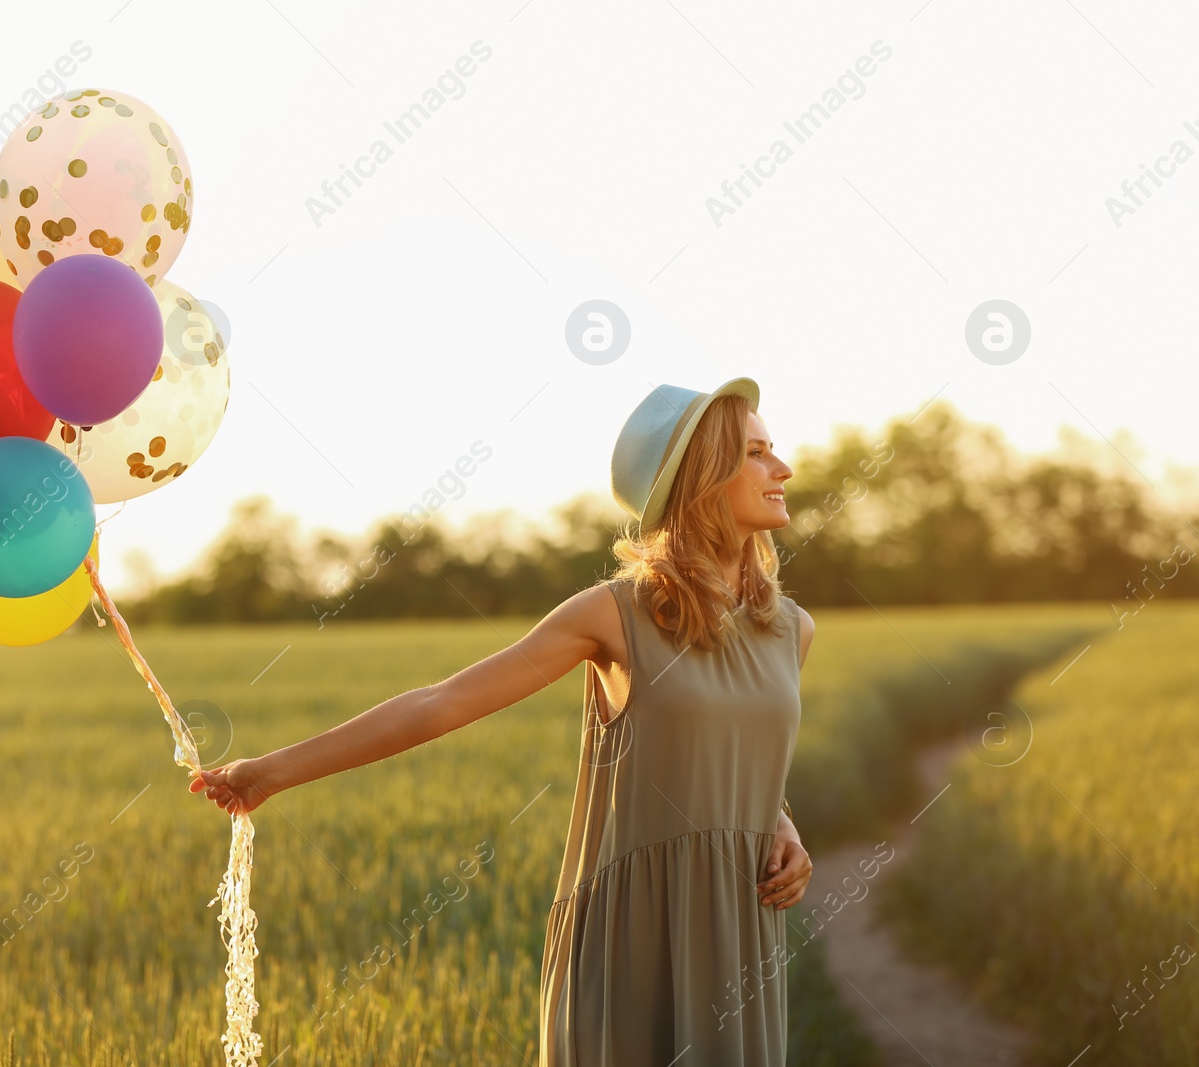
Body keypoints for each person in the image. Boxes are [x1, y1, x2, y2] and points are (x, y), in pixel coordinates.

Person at [189, 376, 814, 1065]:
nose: (781, 468)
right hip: (635, 931)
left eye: (773, 450)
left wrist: (780, 822)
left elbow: (735, 746)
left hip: (742, 928)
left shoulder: (790, 629)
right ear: (702, 477)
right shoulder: (615, 614)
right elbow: (440, 703)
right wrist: (268, 773)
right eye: (756, 452)